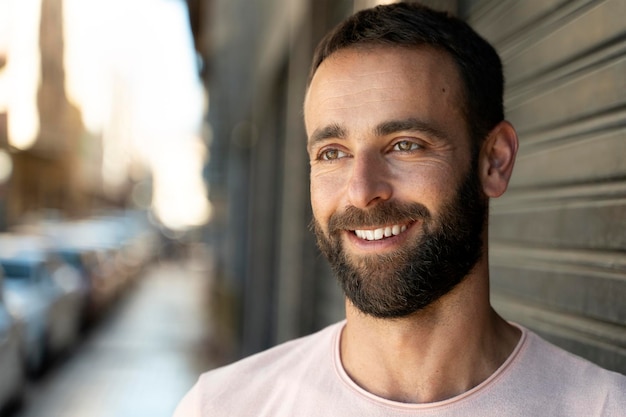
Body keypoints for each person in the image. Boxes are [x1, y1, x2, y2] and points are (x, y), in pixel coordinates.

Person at [173, 3, 626, 416]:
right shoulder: (223, 406)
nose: (362, 190)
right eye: (332, 152)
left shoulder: (603, 407)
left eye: (405, 145)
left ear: (495, 161)